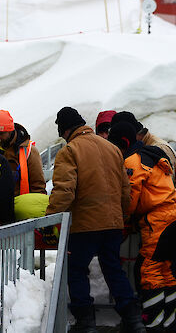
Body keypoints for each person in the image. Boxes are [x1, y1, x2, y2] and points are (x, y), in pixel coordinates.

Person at [45, 107, 144, 333]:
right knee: (113, 269)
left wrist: (50, 219)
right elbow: (124, 190)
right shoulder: (112, 148)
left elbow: (65, 191)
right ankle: (133, 319)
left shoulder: (69, 151)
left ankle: (85, 322)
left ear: (66, 129)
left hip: (85, 225)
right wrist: (122, 217)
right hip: (113, 224)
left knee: (77, 270)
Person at [112, 110, 176, 331]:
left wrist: (123, 222)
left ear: (123, 143)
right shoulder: (152, 155)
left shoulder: (133, 162)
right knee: (167, 271)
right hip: (175, 216)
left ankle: (154, 323)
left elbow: (131, 199)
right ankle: (170, 323)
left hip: (158, 222)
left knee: (149, 271)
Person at [0, 110, 46, 196]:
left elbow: (38, 186)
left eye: (1, 133)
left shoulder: (29, 151)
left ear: (10, 131)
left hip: (21, 204)